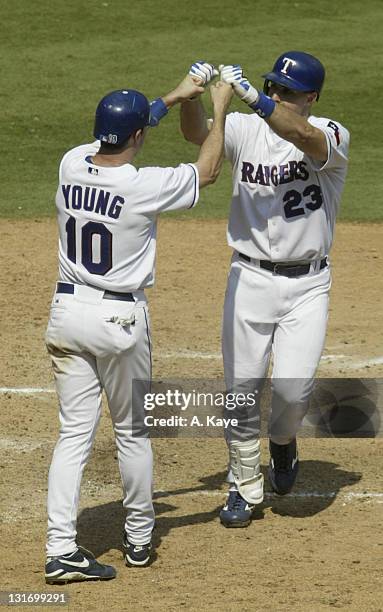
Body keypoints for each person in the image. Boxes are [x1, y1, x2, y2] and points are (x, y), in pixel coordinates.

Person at [44, 73, 233, 583]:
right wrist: (217, 107)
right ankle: (140, 538)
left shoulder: (70, 163)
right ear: (138, 137)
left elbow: (128, 128)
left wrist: (174, 96)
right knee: (132, 432)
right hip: (119, 319)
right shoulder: (142, 186)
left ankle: (61, 549)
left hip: (66, 314)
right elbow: (209, 170)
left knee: (73, 436)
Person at [181, 54, 349, 527]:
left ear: (311, 98)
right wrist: (195, 99)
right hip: (250, 278)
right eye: (272, 86)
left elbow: (302, 135)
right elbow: (196, 135)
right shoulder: (244, 128)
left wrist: (254, 99)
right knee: (241, 391)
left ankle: (281, 441)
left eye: (287, 91)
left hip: (308, 284)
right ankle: (243, 487)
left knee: (292, 393)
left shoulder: (332, 135)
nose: (277, 95)